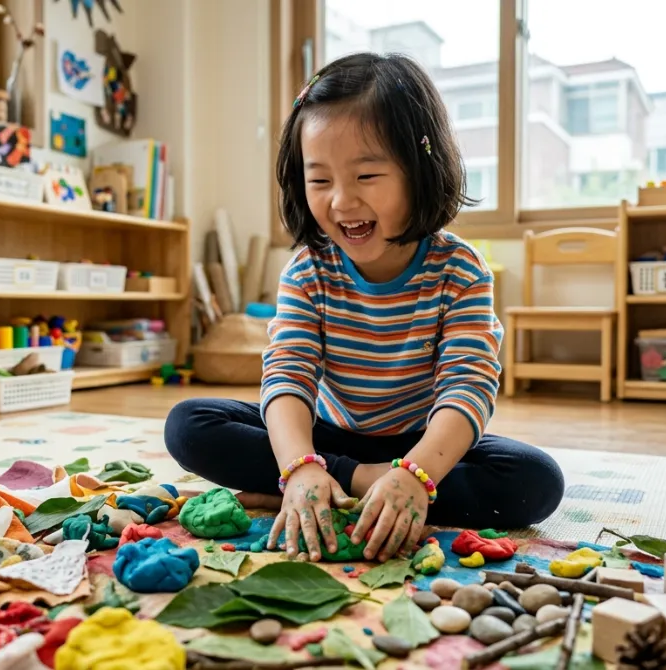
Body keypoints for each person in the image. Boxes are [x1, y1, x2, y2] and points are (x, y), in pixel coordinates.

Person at [165, 52, 564, 563]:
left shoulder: (461, 271)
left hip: (422, 445)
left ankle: (372, 491)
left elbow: (468, 384)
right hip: (327, 439)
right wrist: (301, 465)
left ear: (419, 170)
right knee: (189, 423)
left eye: (366, 176)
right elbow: (289, 375)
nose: (341, 201)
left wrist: (415, 474)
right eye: (320, 179)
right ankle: (348, 485)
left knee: (536, 481)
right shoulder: (308, 271)